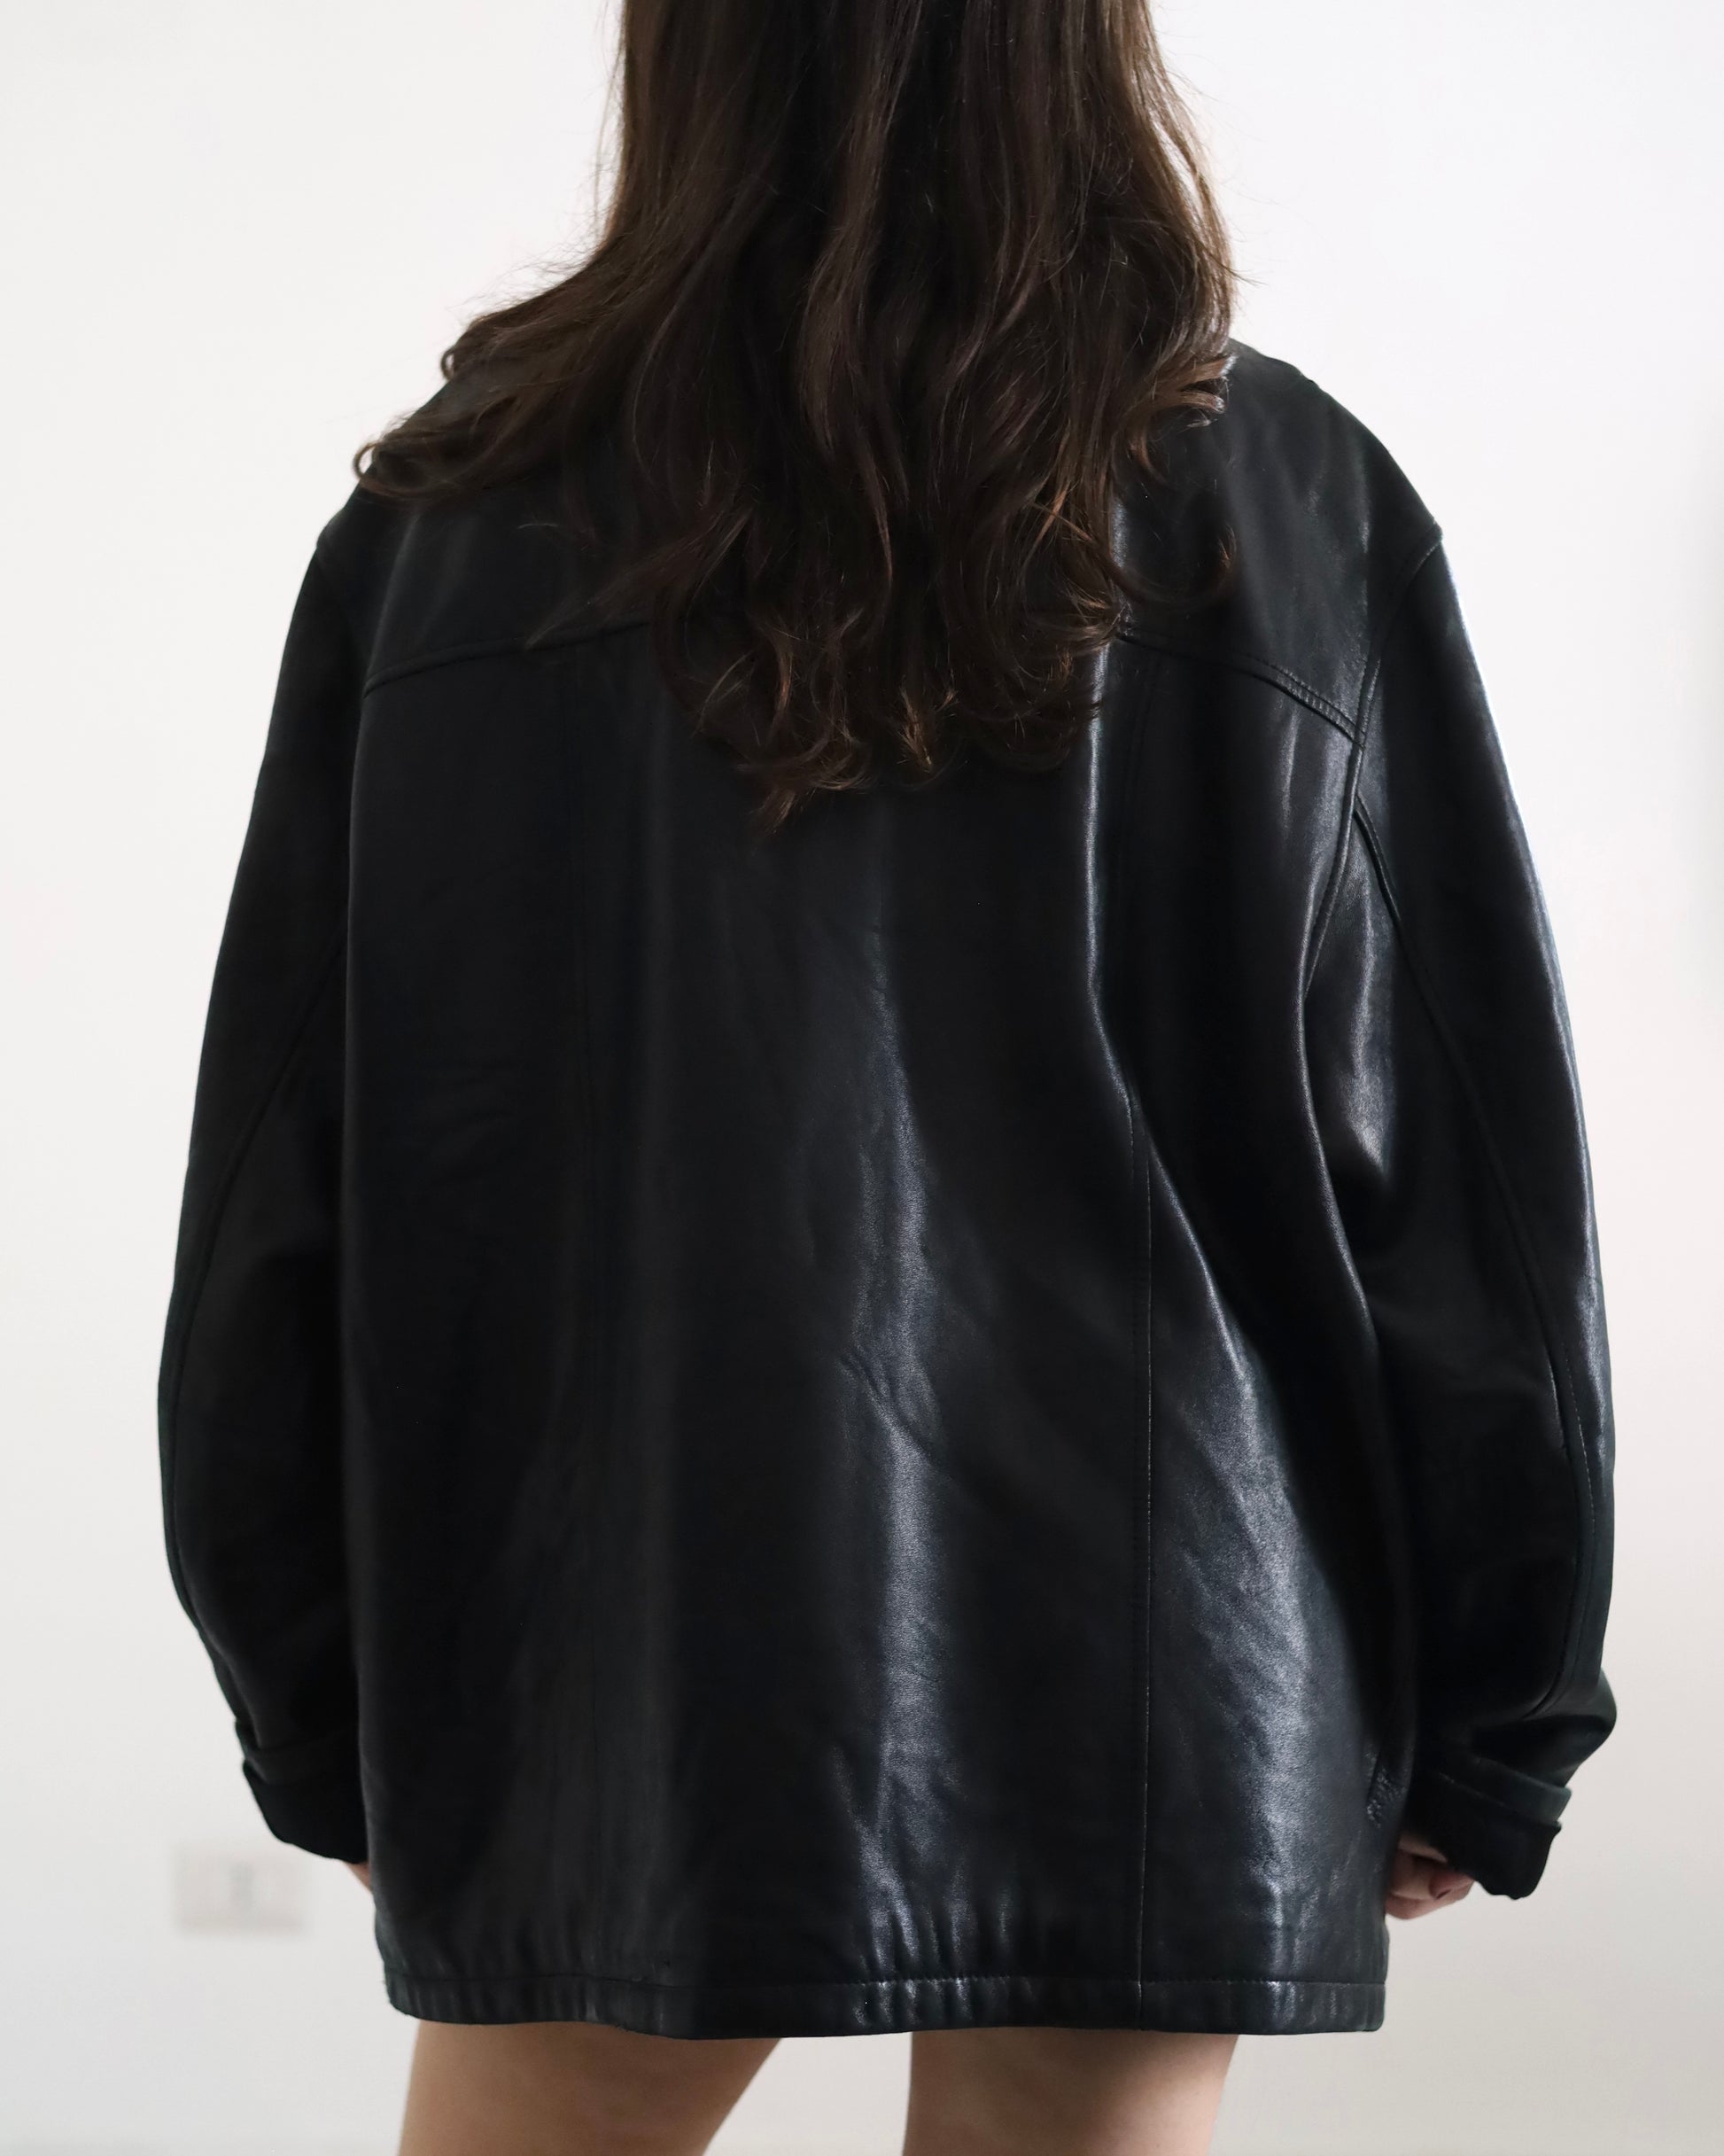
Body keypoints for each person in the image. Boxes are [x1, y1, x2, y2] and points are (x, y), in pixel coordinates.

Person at [154, 0, 1616, 2150]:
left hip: (597, 1671)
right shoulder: (1292, 505)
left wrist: (324, 1714)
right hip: (1159, 1686)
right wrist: (1498, 1717)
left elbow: (276, 1190)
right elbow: (1475, 1192)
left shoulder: (451, 527)